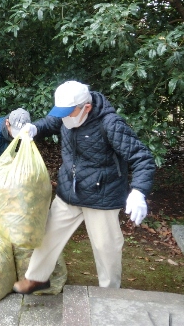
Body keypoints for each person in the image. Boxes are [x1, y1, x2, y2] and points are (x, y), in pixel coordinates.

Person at [13, 81, 155, 294]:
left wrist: (138, 191)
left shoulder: (110, 124)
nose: (64, 118)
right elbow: (52, 122)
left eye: (68, 113)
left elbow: (142, 158)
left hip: (102, 196)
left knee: (106, 249)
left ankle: (109, 294)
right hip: (69, 192)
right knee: (49, 235)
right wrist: (35, 128)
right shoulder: (66, 116)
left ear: (86, 107)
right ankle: (36, 278)